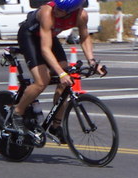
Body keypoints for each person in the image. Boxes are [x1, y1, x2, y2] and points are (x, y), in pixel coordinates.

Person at [13, 0, 107, 143]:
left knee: (65, 82)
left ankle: (55, 126)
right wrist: (61, 73)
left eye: (61, 10)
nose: (56, 11)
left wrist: (92, 62)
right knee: (42, 82)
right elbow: (45, 49)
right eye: (56, 6)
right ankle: (17, 112)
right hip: (30, 37)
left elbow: (85, 37)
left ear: (72, 11)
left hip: (48, 37)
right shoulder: (47, 12)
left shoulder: (81, 15)